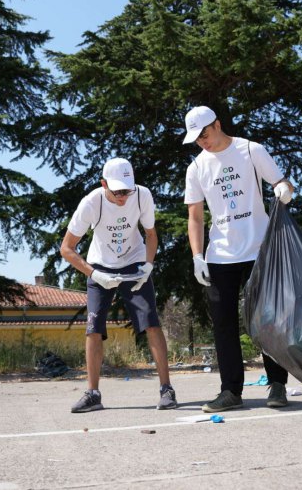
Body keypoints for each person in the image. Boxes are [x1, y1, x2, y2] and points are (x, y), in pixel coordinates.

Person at [182, 105, 294, 413]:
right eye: (196, 138)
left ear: (217, 125)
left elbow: (282, 183)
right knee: (223, 324)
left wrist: (283, 190)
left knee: (268, 318)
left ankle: (277, 384)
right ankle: (230, 391)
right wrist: (197, 256)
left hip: (260, 248)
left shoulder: (250, 150)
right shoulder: (197, 167)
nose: (202, 141)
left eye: (204, 134)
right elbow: (195, 216)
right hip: (220, 255)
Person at [60, 157, 177, 413]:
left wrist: (147, 266)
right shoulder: (91, 203)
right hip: (100, 266)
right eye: (117, 191)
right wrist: (95, 274)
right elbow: (66, 248)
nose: (123, 196)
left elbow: (150, 234)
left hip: (135, 263)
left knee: (151, 322)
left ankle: (167, 389)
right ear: (103, 184)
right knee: (93, 327)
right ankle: (92, 394)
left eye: (127, 190)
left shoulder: (142, 195)